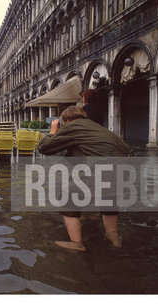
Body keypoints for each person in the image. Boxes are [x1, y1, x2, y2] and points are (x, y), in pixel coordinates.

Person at [37, 106, 132, 251]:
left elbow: (44, 148)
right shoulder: (96, 127)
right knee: (108, 197)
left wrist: (53, 131)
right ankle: (113, 237)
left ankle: (77, 243)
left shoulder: (73, 126)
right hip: (126, 172)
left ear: (66, 121)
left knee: (66, 196)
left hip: (103, 169)